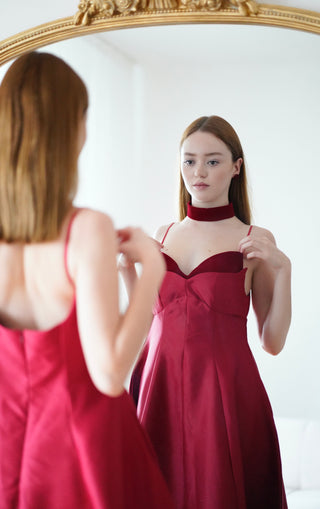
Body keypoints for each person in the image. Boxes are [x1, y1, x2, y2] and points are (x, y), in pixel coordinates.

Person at [0, 51, 175, 509]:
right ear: (68, 129)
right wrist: (153, 269)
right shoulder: (86, 228)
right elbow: (110, 374)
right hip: (80, 452)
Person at [122, 115, 291, 509]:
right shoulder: (162, 234)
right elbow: (148, 323)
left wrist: (283, 270)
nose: (198, 172)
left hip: (225, 395)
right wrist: (127, 271)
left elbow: (273, 342)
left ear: (236, 166)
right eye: (189, 160)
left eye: (213, 161)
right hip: (157, 386)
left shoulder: (254, 240)